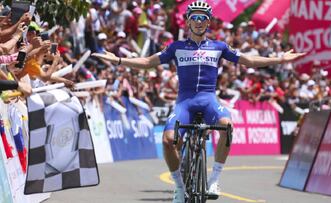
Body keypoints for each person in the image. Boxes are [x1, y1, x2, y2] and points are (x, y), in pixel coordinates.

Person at [92, 1, 305, 202]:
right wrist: (119, 60)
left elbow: (249, 60)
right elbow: (148, 62)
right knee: (168, 140)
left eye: (204, 18)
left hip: (209, 100)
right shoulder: (175, 47)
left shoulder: (219, 46)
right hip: (184, 102)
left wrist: (279, 59)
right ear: (188, 21)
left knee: (227, 127)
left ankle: (214, 180)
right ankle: (179, 188)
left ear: (209, 21)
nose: (200, 21)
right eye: (196, 17)